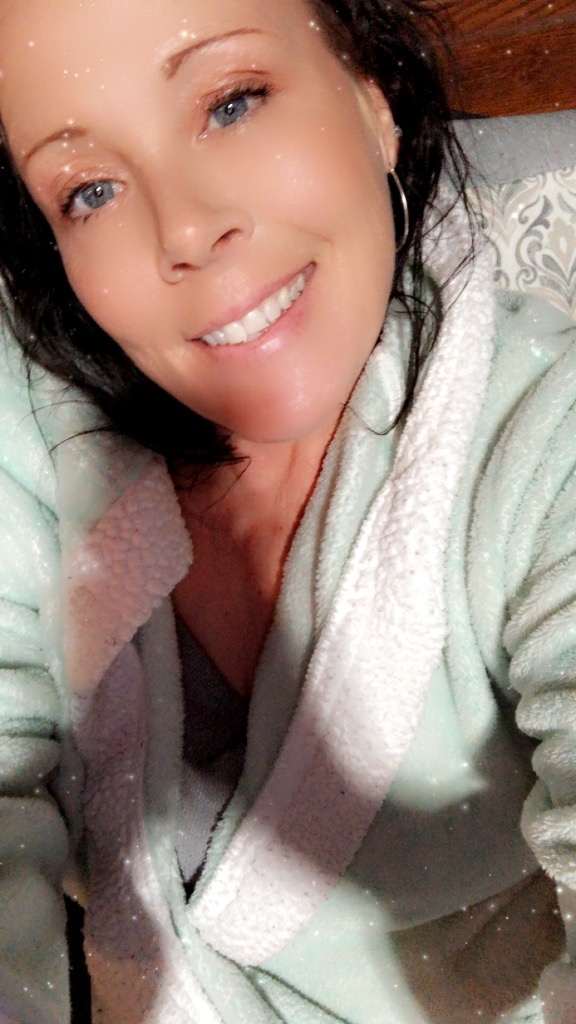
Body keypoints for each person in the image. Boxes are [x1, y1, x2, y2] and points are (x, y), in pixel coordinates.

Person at [0, 0, 575, 1021]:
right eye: (89, 188)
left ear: (372, 92)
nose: (186, 229)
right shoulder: (35, 421)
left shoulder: (546, 440)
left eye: (232, 103)